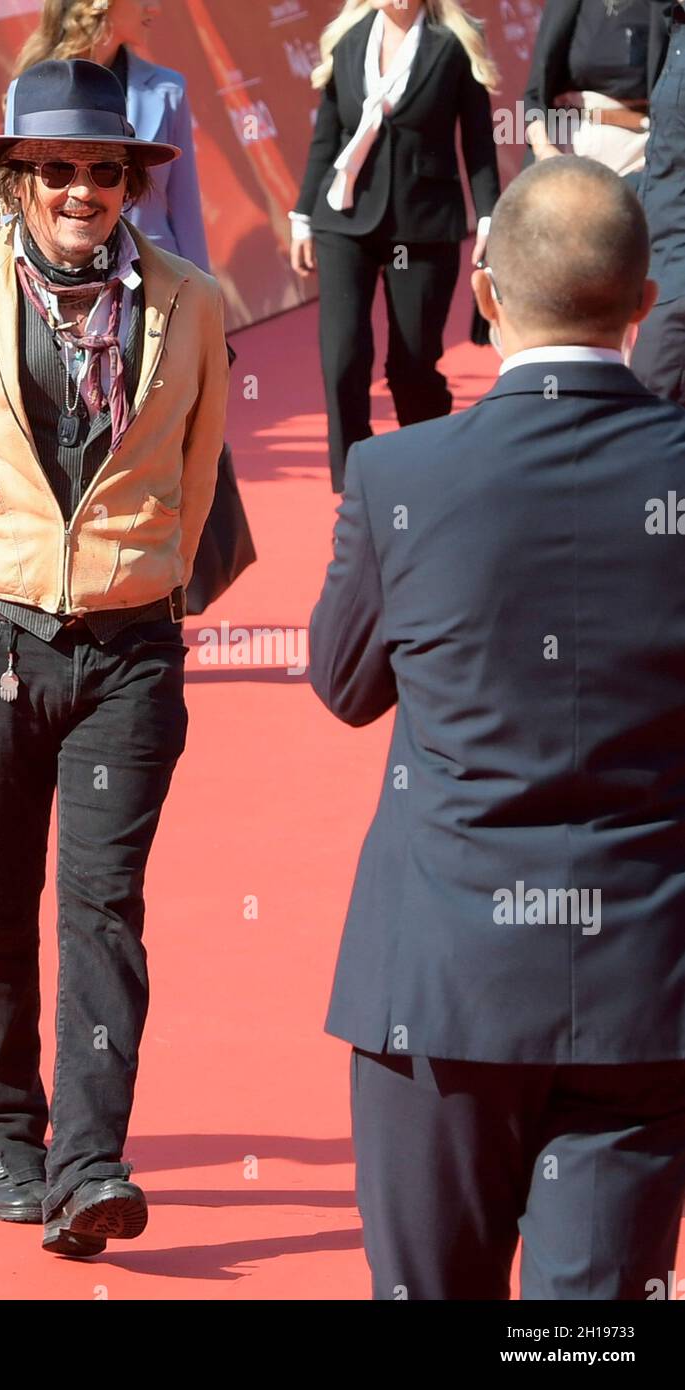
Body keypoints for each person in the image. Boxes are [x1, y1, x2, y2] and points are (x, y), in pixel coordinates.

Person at [308, 155, 685, 1300]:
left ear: (480, 289)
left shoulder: (397, 473)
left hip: (440, 985)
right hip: (645, 986)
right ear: (645, 301)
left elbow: (341, 683)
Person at [0, 59, 228, 1257]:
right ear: (16, 177)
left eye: (104, 170)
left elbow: (199, 462)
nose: (83, 190)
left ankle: (89, 1166)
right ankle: (11, 1135)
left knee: (102, 909)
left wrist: (146, 582)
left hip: (129, 653)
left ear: (131, 182)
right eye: (59, 169)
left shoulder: (191, 301)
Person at [289, 0, 500, 493]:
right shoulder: (348, 41)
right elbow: (328, 136)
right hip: (343, 217)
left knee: (412, 363)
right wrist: (301, 216)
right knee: (342, 355)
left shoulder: (452, 45)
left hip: (424, 224)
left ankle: (427, 473)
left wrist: (490, 215)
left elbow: (478, 143)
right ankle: (354, 481)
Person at [14, 0, 210, 269]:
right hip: (56, 281)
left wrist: (201, 295)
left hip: (154, 284)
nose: (154, 8)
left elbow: (186, 212)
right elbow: (17, 201)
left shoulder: (169, 90)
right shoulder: (26, 94)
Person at [522, 0, 667, 179]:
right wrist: (543, 149)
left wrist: (657, 157)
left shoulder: (667, 7)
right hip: (564, 155)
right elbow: (534, 94)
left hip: (638, 157)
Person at [629, 1, 685, 403]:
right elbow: (667, 161)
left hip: (677, 280)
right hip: (661, 257)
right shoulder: (675, 27)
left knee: (646, 412)